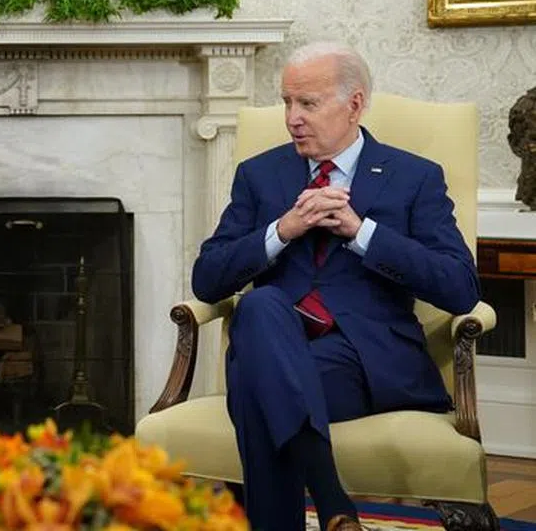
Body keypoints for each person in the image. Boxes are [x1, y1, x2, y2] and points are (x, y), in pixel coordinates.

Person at [191, 42, 480, 531]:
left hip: (369, 361)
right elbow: (207, 278)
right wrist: (281, 231)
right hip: (280, 343)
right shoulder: (260, 176)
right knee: (261, 307)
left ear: (354, 104)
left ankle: (326, 505)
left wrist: (361, 232)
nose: (292, 118)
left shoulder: (413, 177)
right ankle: (333, 505)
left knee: (252, 384)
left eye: (307, 104)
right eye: (286, 102)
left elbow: (459, 287)